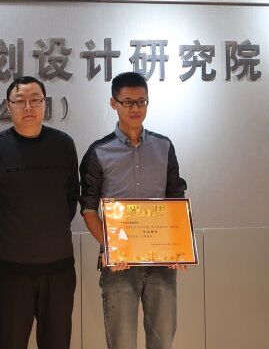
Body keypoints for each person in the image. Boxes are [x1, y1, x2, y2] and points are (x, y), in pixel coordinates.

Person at [0, 76, 80, 349]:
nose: (28, 107)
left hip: (58, 270)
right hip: (8, 273)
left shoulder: (64, 145)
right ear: (9, 106)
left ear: (45, 104)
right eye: (20, 101)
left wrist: (47, 231)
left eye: (35, 100)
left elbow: (70, 198)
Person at [79, 71, 188, 349]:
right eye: (128, 102)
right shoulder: (99, 151)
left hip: (161, 264)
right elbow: (88, 210)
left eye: (142, 101)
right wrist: (111, 247)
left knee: (163, 342)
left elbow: (176, 199)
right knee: (122, 343)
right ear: (113, 103)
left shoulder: (164, 146)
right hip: (119, 266)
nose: (136, 108)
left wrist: (179, 247)